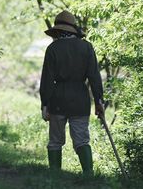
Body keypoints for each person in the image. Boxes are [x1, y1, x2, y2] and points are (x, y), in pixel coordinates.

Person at [39, 10, 105, 175]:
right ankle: (88, 175)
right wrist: (99, 101)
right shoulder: (87, 47)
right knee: (82, 140)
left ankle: (55, 176)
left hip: (58, 99)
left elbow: (46, 80)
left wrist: (44, 104)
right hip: (80, 100)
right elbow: (94, 77)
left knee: (55, 141)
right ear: (73, 30)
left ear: (59, 31)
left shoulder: (52, 49)